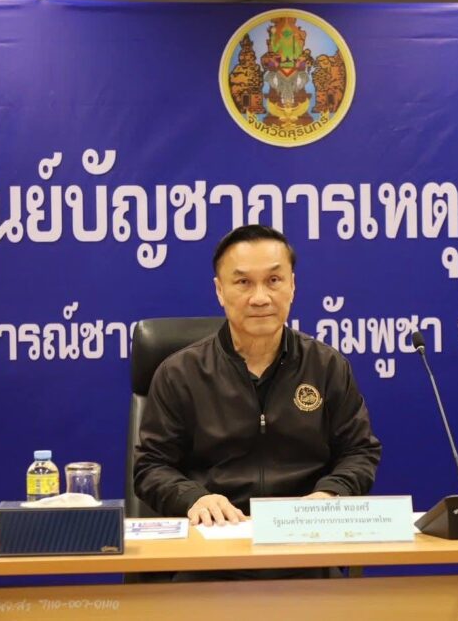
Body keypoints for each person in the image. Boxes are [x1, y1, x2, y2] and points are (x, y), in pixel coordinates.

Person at [133, 224, 382, 537]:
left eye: (274, 280)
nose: (260, 298)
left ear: (292, 285)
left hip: (307, 536)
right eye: (243, 282)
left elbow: (358, 451)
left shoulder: (326, 366)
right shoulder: (179, 373)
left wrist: (331, 493)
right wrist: (194, 498)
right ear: (219, 290)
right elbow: (151, 466)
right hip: (214, 539)